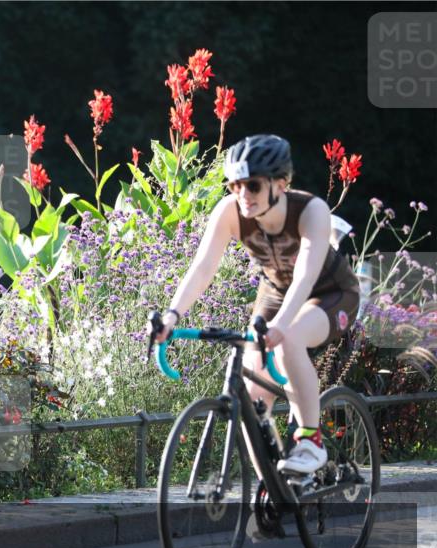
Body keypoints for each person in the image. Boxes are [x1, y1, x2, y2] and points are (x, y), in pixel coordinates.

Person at [154, 134, 360, 475]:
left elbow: (305, 277)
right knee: (251, 395)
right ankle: (273, 483)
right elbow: (203, 267)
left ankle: (310, 441)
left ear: (280, 184)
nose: (243, 195)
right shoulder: (230, 211)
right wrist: (172, 315)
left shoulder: (311, 210)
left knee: (289, 339)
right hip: (276, 291)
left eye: (252, 185)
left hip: (331, 293)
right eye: (235, 185)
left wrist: (282, 327)